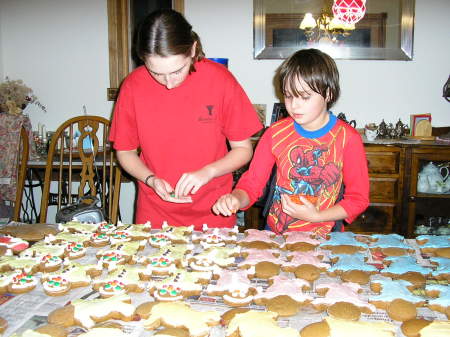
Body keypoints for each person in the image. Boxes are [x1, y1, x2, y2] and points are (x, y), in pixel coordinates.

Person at [109, 9, 262, 229]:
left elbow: (243, 150)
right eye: (156, 73)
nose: (168, 83)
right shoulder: (132, 86)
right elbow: (125, 152)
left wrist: (207, 172)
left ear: (192, 49)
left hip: (215, 210)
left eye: (176, 71)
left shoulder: (220, 80)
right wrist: (150, 179)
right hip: (154, 211)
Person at [213, 48, 369, 237]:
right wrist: (236, 199)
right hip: (277, 234)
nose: (294, 105)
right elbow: (252, 184)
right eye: (288, 95)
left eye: (304, 96)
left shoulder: (347, 138)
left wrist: (317, 216)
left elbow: (358, 200)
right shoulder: (275, 133)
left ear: (328, 94)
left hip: (324, 236)